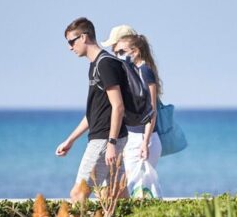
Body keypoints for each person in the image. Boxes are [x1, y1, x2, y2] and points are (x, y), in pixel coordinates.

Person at [55, 17, 130, 199]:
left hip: (105, 139)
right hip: (108, 137)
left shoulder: (105, 64)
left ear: (84, 37)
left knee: (79, 193)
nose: (70, 47)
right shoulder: (96, 65)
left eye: (71, 41)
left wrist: (111, 143)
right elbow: (94, 113)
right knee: (116, 196)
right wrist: (70, 140)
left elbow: (118, 106)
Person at [113, 34, 162, 194]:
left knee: (137, 188)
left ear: (135, 51)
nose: (118, 55)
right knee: (135, 188)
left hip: (143, 138)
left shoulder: (145, 71)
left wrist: (145, 141)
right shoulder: (133, 71)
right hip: (135, 137)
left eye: (121, 51)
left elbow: (151, 110)